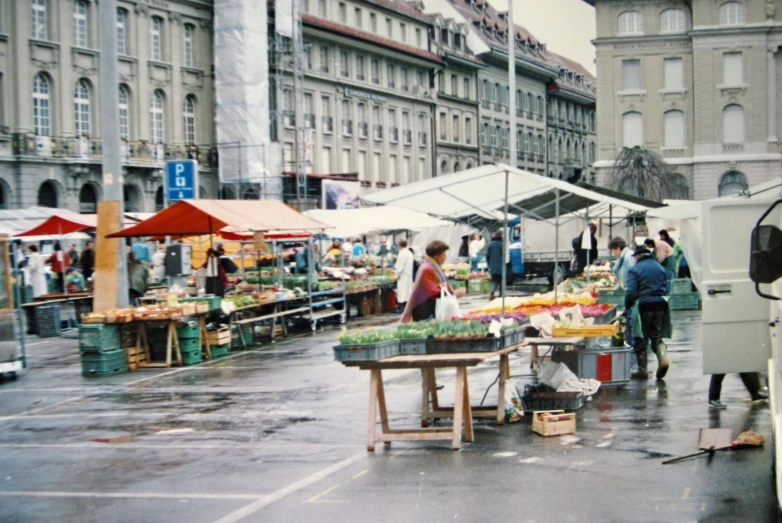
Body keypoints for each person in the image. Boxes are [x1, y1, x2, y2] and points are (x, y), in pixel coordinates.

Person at [625, 245, 672, 380]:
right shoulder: (660, 267)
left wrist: (627, 306)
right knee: (656, 337)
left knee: (641, 338)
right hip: (661, 304)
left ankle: (642, 370)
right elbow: (667, 288)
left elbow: (631, 292)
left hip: (644, 306)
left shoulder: (635, 270)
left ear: (637, 257)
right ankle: (663, 358)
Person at [401, 241, 466, 323]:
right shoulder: (427, 269)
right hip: (425, 310)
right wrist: (454, 293)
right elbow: (433, 291)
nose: (445, 257)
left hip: (429, 307)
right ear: (437, 255)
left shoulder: (432, 266)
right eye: (444, 254)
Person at [395, 239, 414, 313]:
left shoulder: (402, 253)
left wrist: (398, 273)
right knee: (408, 291)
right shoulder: (409, 253)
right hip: (408, 274)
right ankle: (407, 306)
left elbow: (401, 265)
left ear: (399, 245)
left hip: (403, 275)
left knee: (402, 292)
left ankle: (401, 307)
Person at [486, 231, 505, 301]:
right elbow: (505, 255)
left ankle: (492, 292)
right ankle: (501, 295)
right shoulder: (502, 244)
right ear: (501, 236)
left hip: (493, 266)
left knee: (495, 280)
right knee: (502, 281)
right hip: (501, 266)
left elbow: (487, 256)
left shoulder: (491, 244)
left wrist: (489, 265)